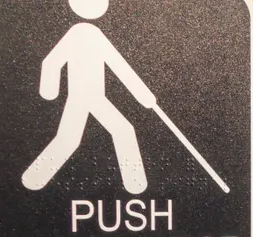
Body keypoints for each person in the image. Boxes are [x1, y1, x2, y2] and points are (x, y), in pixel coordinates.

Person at [21, 0, 154, 195]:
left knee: (121, 130)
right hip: (80, 97)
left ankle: (135, 182)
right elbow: (52, 61)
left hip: (96, 97)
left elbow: (118, 65)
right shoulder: (77, 33)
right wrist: (49, 90)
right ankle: (35, 177)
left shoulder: (94, 34)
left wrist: (144, 96)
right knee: (71, 139)